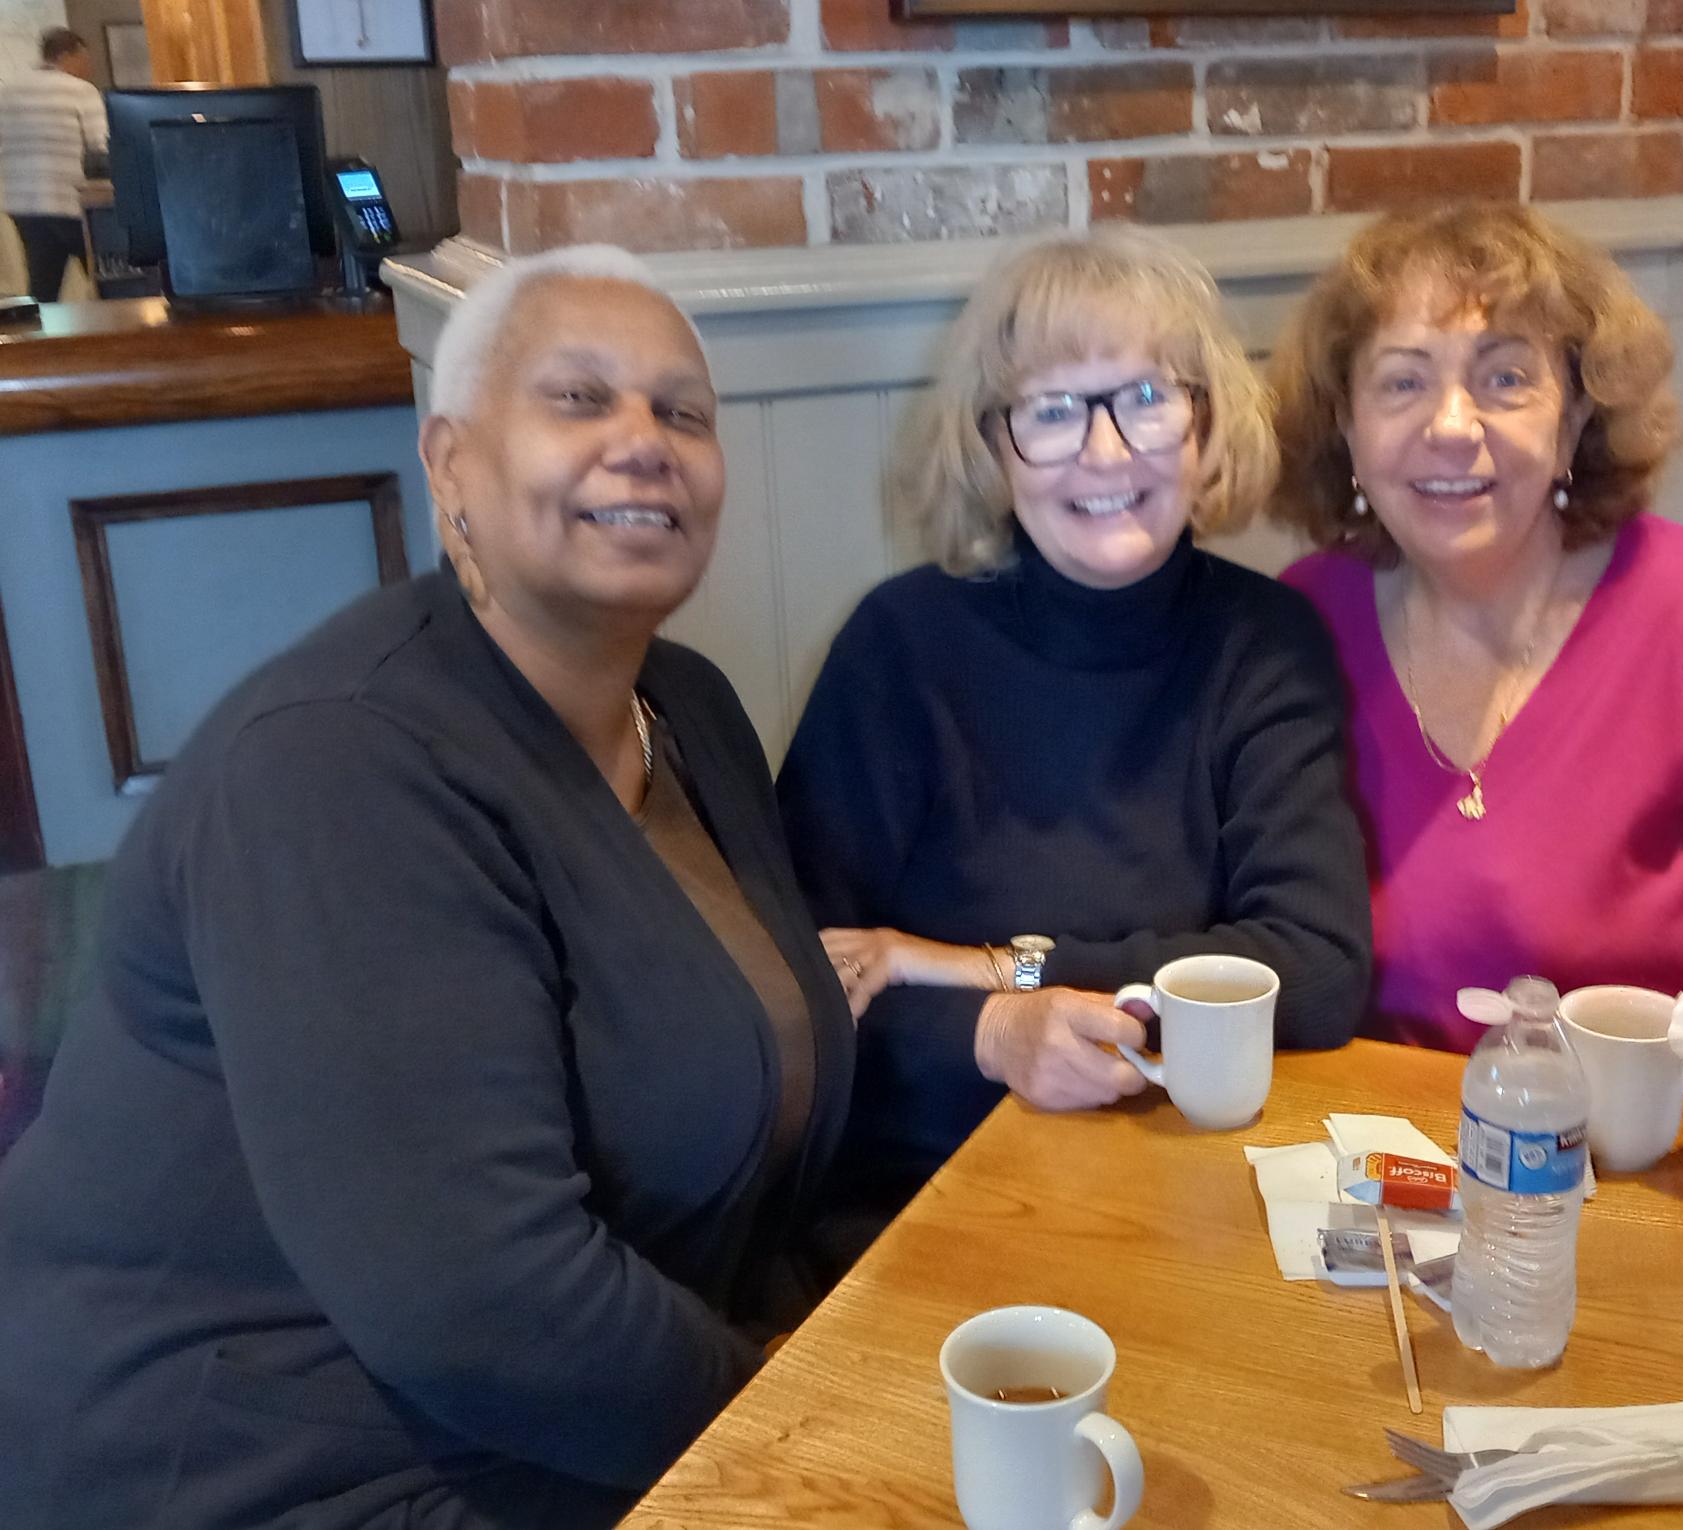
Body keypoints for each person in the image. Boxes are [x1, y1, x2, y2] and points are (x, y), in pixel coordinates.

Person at [0, 246, 855, 1528]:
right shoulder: (337, 763)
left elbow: (756, 1067)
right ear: (450, 464)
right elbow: (480, 1304)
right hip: (282, 1457)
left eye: (684, 412)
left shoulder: (689, 711)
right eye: (580, 398)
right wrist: (816, 1431)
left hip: (582, 1402)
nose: (645, 441)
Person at [776, 227, 1372, 1241]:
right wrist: (991, 1036)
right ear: (991, 448)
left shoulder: (1265, 643)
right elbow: (797, 987)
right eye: (1051, 412)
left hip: (1192, 1190)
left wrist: (995, 969)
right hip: (927, 1198)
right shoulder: (899, 648)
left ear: (1207, 424)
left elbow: (1314, 972)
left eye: (1146, 398)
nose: (1106, 454)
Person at [1271, 201, 1683, 1115]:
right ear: (1348, 434)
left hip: (1671, 1154)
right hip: (1396, 1158)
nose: (1451, 425)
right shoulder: (1302, 616)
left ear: (1573, 426)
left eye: (1505, 378)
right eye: (1401, 383)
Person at [0, 28, 107, 303]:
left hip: (24, 203)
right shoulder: (81, 91)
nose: (87, 66)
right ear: (66, 55)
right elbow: (100, 146)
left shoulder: (8, 91)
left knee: (43, 287)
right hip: (72, 201)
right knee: (106, 279)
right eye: (84, 58)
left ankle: (42, 343)